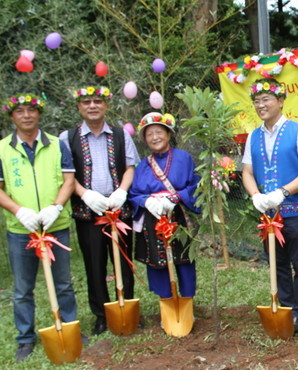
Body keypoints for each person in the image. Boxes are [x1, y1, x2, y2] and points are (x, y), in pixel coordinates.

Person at [0, 92, 79, 361]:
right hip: (21, 230)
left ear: (39, 113)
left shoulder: (56, 144)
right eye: (20, 112)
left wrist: (56, 207)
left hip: (55, 226)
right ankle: (25, 339)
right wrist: (19, 211)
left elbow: (69, 180)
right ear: (12, 116)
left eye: (31, 110)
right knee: (22, 288)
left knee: (63, 283)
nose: (26, 116)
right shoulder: (1, 149)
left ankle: (70, 328)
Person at [59, 85, 140, 335]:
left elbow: (130, 166)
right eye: (86, 102)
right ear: (79, 107)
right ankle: (102, 315)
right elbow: (66, 175)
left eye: (97, 101)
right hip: (88, 210)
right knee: (94, 264)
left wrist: (122, 191)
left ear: (105, 105)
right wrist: (85, 194)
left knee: (124, 262)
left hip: (118, 208)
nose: (92, 106)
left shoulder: (119, 134)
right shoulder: (67, 138)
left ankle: (127, 308)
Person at [242, 78, 298, 334]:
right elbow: (247, 172)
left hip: (295, 212)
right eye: (256, 101)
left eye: (266, 99)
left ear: (281, 101)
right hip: (268, 215)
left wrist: (283, 192)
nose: (260, 105)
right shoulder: (253, 136)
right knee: (277, 263)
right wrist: (255, 195)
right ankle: (285, 308)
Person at [128, 112, 200, 302]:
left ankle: (187, 301)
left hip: (178, 215)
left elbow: (194, 185)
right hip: (153, 220)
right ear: (144, 139)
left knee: (184, 260)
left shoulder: (183, 158)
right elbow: (134, 194)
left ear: (168, 134)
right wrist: (147, 202)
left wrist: (175, 197)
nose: (155, 137)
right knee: (157, 262)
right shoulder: (142, 166)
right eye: (149, 134)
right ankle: (166, 301)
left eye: (159, 132)